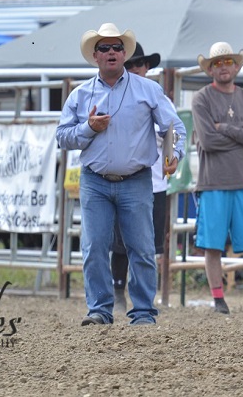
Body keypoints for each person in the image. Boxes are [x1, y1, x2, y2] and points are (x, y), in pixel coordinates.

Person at [56, 23, 185, 326]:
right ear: (95, 55)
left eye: (116, 47)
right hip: (95, 180)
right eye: (104, 48)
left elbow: (174, 128)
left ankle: (142, 312)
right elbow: (62, 137)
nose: (111, 52)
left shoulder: (149, 90)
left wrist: (174, 154)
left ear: (124, 54)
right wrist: (89, 128)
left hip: (136, 179)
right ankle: (100, 309)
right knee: (94, 246)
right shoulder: (80, 95)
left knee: (141, 246)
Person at [192, 41, 243, 314]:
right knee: (211, 243)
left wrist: (225, 128)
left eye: (227, 62)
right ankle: (218, 300)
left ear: (237, 66)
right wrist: (241, 135)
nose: (223, 67)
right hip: (213, 180)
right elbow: (208, 140)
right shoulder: (201, 98)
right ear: (210, 70)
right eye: (217, 63)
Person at [110, 42, 169, 313]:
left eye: (140, 63)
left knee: (150, 244)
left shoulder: (156, 96)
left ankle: (142, 294)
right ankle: (119, 288)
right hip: (131, 177)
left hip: (155, 180)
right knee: (122, 242)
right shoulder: (118, 96)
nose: (136, 68)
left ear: (147, 67)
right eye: (131, 64)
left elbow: (173, 131)